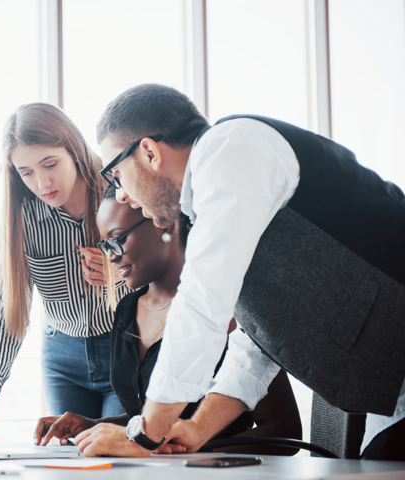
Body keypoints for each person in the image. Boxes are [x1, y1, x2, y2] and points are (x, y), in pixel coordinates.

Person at [72, 84, 405, 460]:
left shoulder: (229, 150)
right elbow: (260, 338)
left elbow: (201, 306)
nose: (121, 195)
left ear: (149, 152)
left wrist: (145, 435)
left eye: (117, 175)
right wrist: (197, 427)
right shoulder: (214, 205)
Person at [34, 186, 302, 455]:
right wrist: (93, 426)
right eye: (105, 245)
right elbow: (151, 425)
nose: (111, 256)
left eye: (118, 239)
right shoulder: (127, 310)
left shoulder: (226, 308)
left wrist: (188, 451)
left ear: (166, 224)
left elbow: (285, 430)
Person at [0, 103, 129, 439]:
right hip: (63, 360)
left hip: (126, 352)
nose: (42, 182)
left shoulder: (121, 195)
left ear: (74, 151)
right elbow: (9, 308)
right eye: (26, 172)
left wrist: (119, 279)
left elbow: (170, 289)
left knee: (112, 458)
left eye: (50, 164)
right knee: (67, 462)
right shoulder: (26, 218)